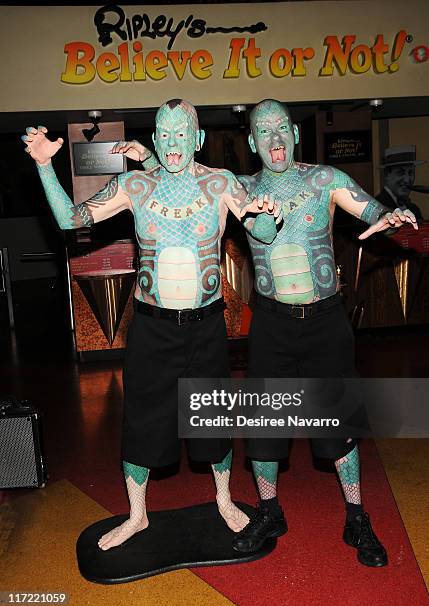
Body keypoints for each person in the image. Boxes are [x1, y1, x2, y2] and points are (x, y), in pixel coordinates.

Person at [21, 99, 281, 551]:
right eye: (165, 133)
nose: (173, 141)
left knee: (214, 417)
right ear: (156, 139)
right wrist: (45, 165)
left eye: (183, 132)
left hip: (205, 325)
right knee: (142, 422)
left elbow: (263, 233)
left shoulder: (222, 183)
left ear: (197, 139)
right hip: (151, 328)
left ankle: (223, 500)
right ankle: (137, 515)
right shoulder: (134, 184)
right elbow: (69, 219)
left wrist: (266, 215)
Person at [229, 100, 418, 567]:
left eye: (280, 128)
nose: (273, 138)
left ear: (294, 132)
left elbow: (368, 206)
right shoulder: (242, 188)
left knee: (340, 425)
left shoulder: (325, 178)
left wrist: (389, 215)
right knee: (264, 428)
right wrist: (151, 162)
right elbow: (191, 183)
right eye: (262, 131)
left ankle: (357, 517)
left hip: (325, 322)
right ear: (252, 142)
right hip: (271, 323)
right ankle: (270, 511)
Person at [376, 145, 425, 220]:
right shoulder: (376, 207)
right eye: (400, 172)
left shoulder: (414, 209)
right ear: (386, 174)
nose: (407, 179)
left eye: (410, 172)